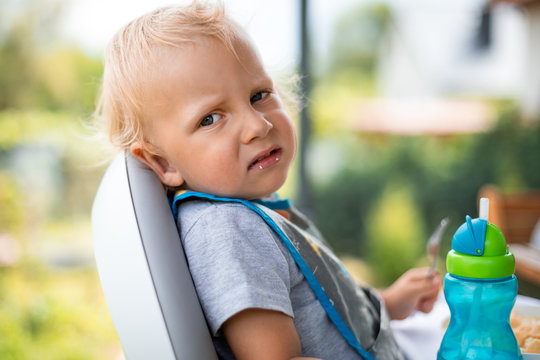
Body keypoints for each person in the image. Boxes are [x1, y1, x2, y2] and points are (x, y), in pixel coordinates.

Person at [94, 1, 441, 359]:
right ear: (162, 162)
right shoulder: (228, 229)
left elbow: (325, 313)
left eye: (259, 95)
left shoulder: (254, 215)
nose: (258, 125)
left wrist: (390, 302)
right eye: (211, 118)